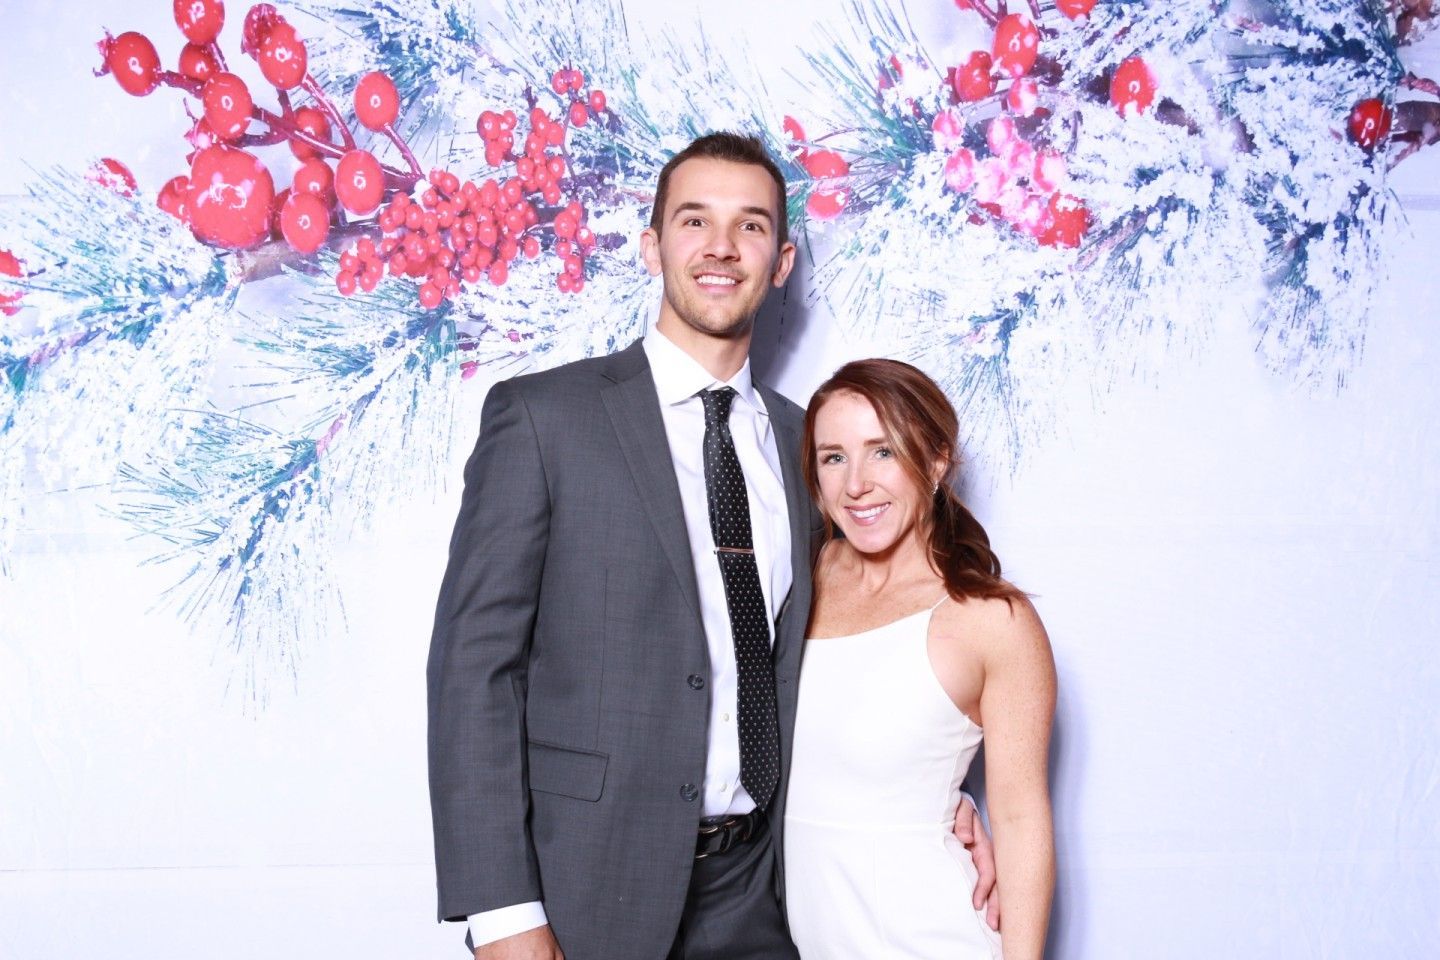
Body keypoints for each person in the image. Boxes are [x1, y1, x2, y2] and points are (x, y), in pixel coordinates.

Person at [427, 133, 996, 960]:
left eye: (752, 226)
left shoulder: (813, 450)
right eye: (695, 221)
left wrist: (928, 798)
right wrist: (504, 915)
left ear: (783, 260)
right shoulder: (545, 420)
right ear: (654, 243)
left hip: (767, 893)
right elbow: (472, 670)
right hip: (587, 887)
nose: (722, 248)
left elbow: (857, 644)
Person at [785, 358, 1056, 960]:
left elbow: (1019, 817)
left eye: (883, 452)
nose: (856, 483)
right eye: (834, 457)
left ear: (935, 462)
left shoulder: (990, 620)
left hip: (929, 938)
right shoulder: (800, 579)